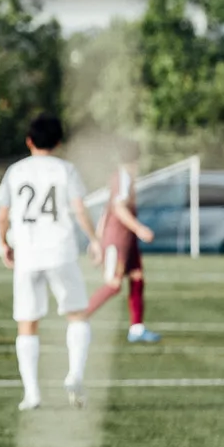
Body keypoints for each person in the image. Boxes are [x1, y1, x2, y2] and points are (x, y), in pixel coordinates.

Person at [0, 114, 101, 411]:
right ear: (59, 142)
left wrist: (4, 243)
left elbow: (3, 214)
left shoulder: (15, 171)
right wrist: (94, 239)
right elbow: (79, 208)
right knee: (77, 315)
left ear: (29, 141)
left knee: (27, 323)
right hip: (60, 251)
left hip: (27, 253)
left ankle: (32, 393)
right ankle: (75, 374)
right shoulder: (65, 169)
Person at [82, 140, 158, 343]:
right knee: (114, 284)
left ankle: (137, 329)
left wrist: (97, 238)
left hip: (126, 239)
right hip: (118, 240)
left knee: (137, 277)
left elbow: (107, 209)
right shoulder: (123, 177)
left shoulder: (123, 176)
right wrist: (139, 228)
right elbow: (118, 208)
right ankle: (80, 318)